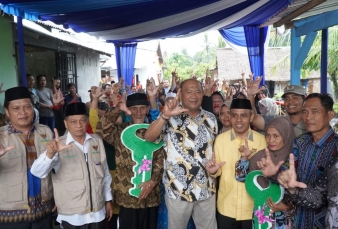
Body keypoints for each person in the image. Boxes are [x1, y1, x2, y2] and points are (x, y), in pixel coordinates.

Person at [145, 79, 218, 229]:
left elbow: (214, 152)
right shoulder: (169, 117)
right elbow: (149, 137)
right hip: (177, 191)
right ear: (180, 94)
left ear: (203, 93)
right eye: (189, 92)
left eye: (197, 91)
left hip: (206, 190)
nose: (194, 95)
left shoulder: (211, 119)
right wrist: (164, 116)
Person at [31, 102, 113, 229]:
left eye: (82, 120)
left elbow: (105, 174)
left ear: (87, 121)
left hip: (98, 213)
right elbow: (37, 172)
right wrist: (50, 154)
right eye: (73, 121)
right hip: (72, 216)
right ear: (65, 123)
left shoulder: (96, 141)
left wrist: (108, 200)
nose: (79, 125)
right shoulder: (57, 145)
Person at [96, 81, 163, 229]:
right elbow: (101, 130)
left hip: (150, 196)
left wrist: (152, 181)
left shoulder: (154, 130)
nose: (138, 112)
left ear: (147, 109)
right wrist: (117, 109)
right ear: (129, 110)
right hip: (127, 197)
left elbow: (160, 160)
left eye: (142, 108)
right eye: (134, 109)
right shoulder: (120, 133)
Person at [276, 93, 338, 229]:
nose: (308, 117)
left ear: (330, 115)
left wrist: (294, 189)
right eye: (305, 112)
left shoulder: (336, 148)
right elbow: (288, 168)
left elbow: (320, 197)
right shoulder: (300, 142)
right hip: (296, 219)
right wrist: (279, 174)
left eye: (315, 112)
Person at [205, 99, 266, 229]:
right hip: (226, 207)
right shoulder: (221, 140)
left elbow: (263, 175)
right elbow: (218, 170)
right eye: (234, 115)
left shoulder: (262, 141)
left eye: (243, 115)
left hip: (253, 208)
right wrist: (213, 171)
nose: (238, 120)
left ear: (251, 117)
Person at [0, 86, 54, 229]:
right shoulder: (1, 137)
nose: (23, 112)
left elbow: (56, 169)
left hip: (44, 212)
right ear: (7, 111)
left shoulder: (46, 132)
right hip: (11, 216)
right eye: (16, 108)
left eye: (27, 107)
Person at [235, 117, 296, 228]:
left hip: (284, 220)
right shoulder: (261, 156)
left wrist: (286, 207)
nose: (270, 140)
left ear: (286, 136)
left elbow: (302, 194)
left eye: (276, 136)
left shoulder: (293, 159)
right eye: (267, 135)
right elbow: (241, 178)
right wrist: (244, 158)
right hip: (261, 217)